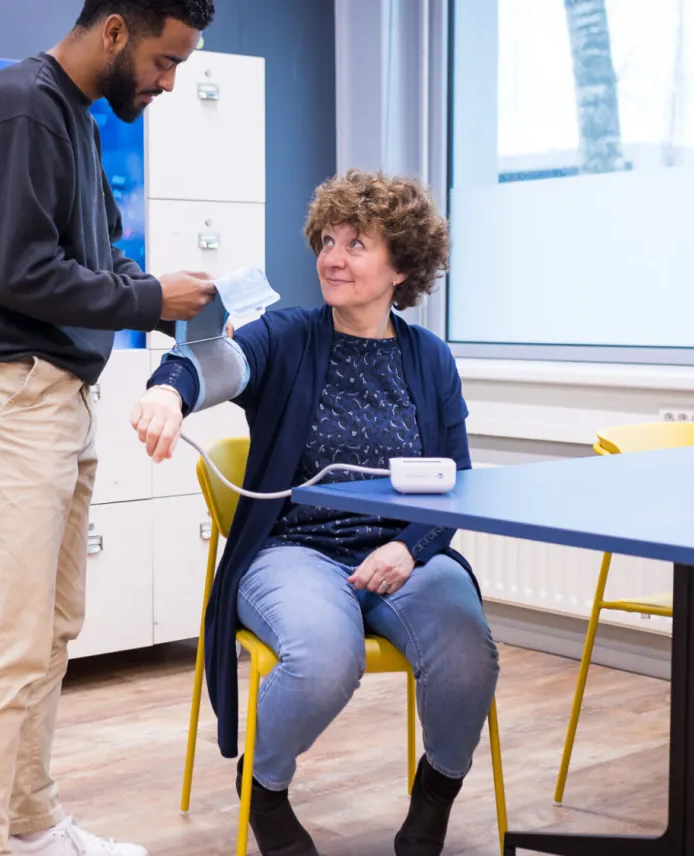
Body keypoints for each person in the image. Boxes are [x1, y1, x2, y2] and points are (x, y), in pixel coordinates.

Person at [130, 169, 500, 856]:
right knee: (324, 660)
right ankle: (263, 788)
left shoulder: (430, 359)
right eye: (328, 240)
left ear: (402, 266)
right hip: (294, 551)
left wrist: (411, 550)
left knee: (468, 656)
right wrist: (168, 392)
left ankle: (436, 792)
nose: (333, 256)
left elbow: (456, 482)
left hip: (403, 553)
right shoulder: (289, 336)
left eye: (357, 244)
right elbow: (218, 362)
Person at [0, 3, 217, 855]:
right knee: (6, 648)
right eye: (165, 63)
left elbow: (100, 260)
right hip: (9, 400)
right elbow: (21, 271)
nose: (167, 84)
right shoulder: (24, 106)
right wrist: (143, 299)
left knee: (49, 632)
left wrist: (169, 304)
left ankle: (30, 823)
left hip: (55, 398)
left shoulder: (75, 121)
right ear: (116, 30)